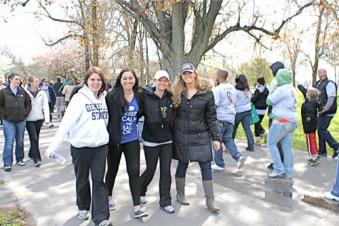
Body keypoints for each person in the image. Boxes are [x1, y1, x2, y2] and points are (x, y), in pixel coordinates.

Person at [45, 67, 111, 226]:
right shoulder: (78, 99)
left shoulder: (104, 98)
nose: (96, 82)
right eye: (92, 79)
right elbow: (65, 125)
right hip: (80, 148)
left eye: (99, 80)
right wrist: (53, 147)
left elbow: (106, 121)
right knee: (82, 180)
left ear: (102, 82)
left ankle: (100, 217)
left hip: (100, 148)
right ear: (86, 82)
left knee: (99, 181)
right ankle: (83, 206)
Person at [172, 63, 221, 213]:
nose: (187, 76)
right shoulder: (176, 94)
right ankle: (180, 194)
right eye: (184, 73)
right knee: (182, 164)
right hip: (182, 137)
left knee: (206, 166)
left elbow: (212, 118)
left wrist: (216, 138)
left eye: (190, 73)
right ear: (181, 76)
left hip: (201, 137)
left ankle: (210, 199)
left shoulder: (206, 94)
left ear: (195, 74)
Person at [105, 69, 148, 219]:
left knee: (134, 171)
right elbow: (106, 117)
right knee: (112, 170)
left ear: (135, 80)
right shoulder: (111, 96)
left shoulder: (140, 95)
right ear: (120, 80)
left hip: (132, 139)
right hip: (115, 141)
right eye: (125, 78)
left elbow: (143, 111)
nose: (128, 81)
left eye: (131, 78)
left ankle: (137, 207)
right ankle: (108, 198)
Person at [139, 70, 175, 214]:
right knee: (150, 169)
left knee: (166, 171)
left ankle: (165, 201)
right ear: (155, 81)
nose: (163, 83)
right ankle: (140, 190)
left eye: (165, 80)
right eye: (160, 80)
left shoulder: (170, 97)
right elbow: (136, 113)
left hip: (167, 140)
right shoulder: (146, 97)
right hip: (151, 140)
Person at [211, 69, 245, 171]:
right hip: (230, 117)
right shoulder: (232, 88)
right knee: (228, 139)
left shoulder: (217, 89)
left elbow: (215, 104)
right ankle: (238, 156)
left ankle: (219, 164)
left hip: (220, 117)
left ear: (218, 77)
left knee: (217, 140)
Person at [266, 69, 297, 178]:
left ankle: (278, 168)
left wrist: (272, 90)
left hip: (281, 121)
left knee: (271, 143)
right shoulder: (292, 89)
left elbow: (269, 101)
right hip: (292, 121)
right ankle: (288, 171)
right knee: (287, 146)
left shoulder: (281, 89)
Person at [0, 73, 31, 172]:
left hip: (21, 120)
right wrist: (4, 115)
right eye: (16, 79)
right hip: (8, 121)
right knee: (9, 142)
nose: (18, 81)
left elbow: (28, 103)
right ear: (10, 80)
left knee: (20, 141)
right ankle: (7, 163)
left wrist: (25, 114)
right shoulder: (3, 92)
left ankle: (20, 159)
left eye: (19, 79)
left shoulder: (22, 91)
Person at [25, 76, 50, 167]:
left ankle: (31, 154)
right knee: (34, 138)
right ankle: (37, 159)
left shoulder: (42, 93)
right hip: (29, 119)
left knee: (36, 138)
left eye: (38, 81)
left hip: (39, 119)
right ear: (30, 82)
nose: (38, 82)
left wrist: (47, 120)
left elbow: (45, 106)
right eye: (36, 81)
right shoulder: (25, 92)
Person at [315, 68, 338, 158]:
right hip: (320, 111)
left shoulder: (330, 83)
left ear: (326, 73)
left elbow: (331, 97)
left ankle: (336, 146)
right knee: (320, 130)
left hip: (328, 111)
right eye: (320, 72)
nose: (322, 74)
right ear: (318, 74)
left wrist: (325, 108)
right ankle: (322, 151)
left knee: (322, 129)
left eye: (324, 72)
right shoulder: (317, 84)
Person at [267, 61, 285, 170]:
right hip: (283, 113)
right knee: (282, 141)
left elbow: (271, 99)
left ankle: (278, 163)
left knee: (273, 140)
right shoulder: (285, 82)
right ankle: (281, 161)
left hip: (275, 112)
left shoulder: (275, 82)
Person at [232, 74, 255, 152]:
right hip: (247, 111)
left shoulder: (235, 91)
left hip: (238, 112)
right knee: (247, 129)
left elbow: (233, 102)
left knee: (233, 129)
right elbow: (250, 98)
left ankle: (230, 146)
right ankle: (251, 145)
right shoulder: (247, 89)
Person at [251, 77, 269, 145]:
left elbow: (254, 99)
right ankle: (264, 134)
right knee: (258, 124)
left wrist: (251, 97)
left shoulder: (258, 90)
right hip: (263, 110)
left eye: (257, 82)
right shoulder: (266, 90)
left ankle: (258, 140)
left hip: (257, 109)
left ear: (259, 82)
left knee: (257, 124)